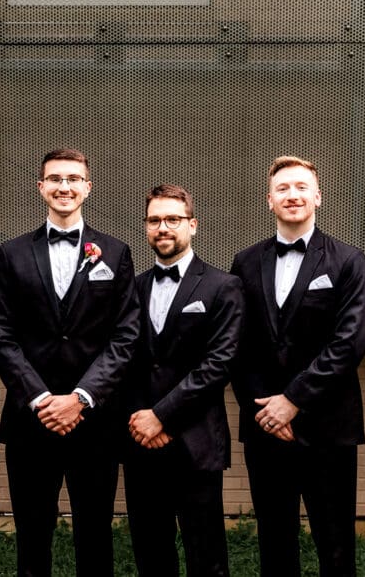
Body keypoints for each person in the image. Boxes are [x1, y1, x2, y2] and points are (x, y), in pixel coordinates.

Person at [0, 148, 140, 577]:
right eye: (55, 179)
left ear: (88, 188)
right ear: (41, 187)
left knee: (95, 534)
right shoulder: (13, 253)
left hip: (94, 422)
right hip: (30, 421)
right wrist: (39, 398)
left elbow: (126, 335)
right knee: (32, 535)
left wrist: (81, 397)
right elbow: (0, 333)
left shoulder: (115, 253)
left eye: (73, 179)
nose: (64, 187)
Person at [229, 156, 365, 576]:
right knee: (274, 542)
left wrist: (292, 401)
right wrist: (265, 409)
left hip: (328, 424)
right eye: (283, 188)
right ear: (269, 200)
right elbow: (236, 345)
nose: (292, 195)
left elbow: (349, 342)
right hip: (265, 427)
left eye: (301, 187)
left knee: (336, 545)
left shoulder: (348, 260)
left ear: (318, 197)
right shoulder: (245, 262)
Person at [122, 184, 242, 577]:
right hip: (141, 443)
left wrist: (162, 417)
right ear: (145, 227)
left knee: (206, 557)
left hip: (196, 441)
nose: (163, 228)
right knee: (151, 554)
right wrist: (142, 419)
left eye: (173, 219)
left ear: (193, 224)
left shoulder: (223, 286)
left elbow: (218, 364)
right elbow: (122, 361)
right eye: (154, 220)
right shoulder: (132, 288)